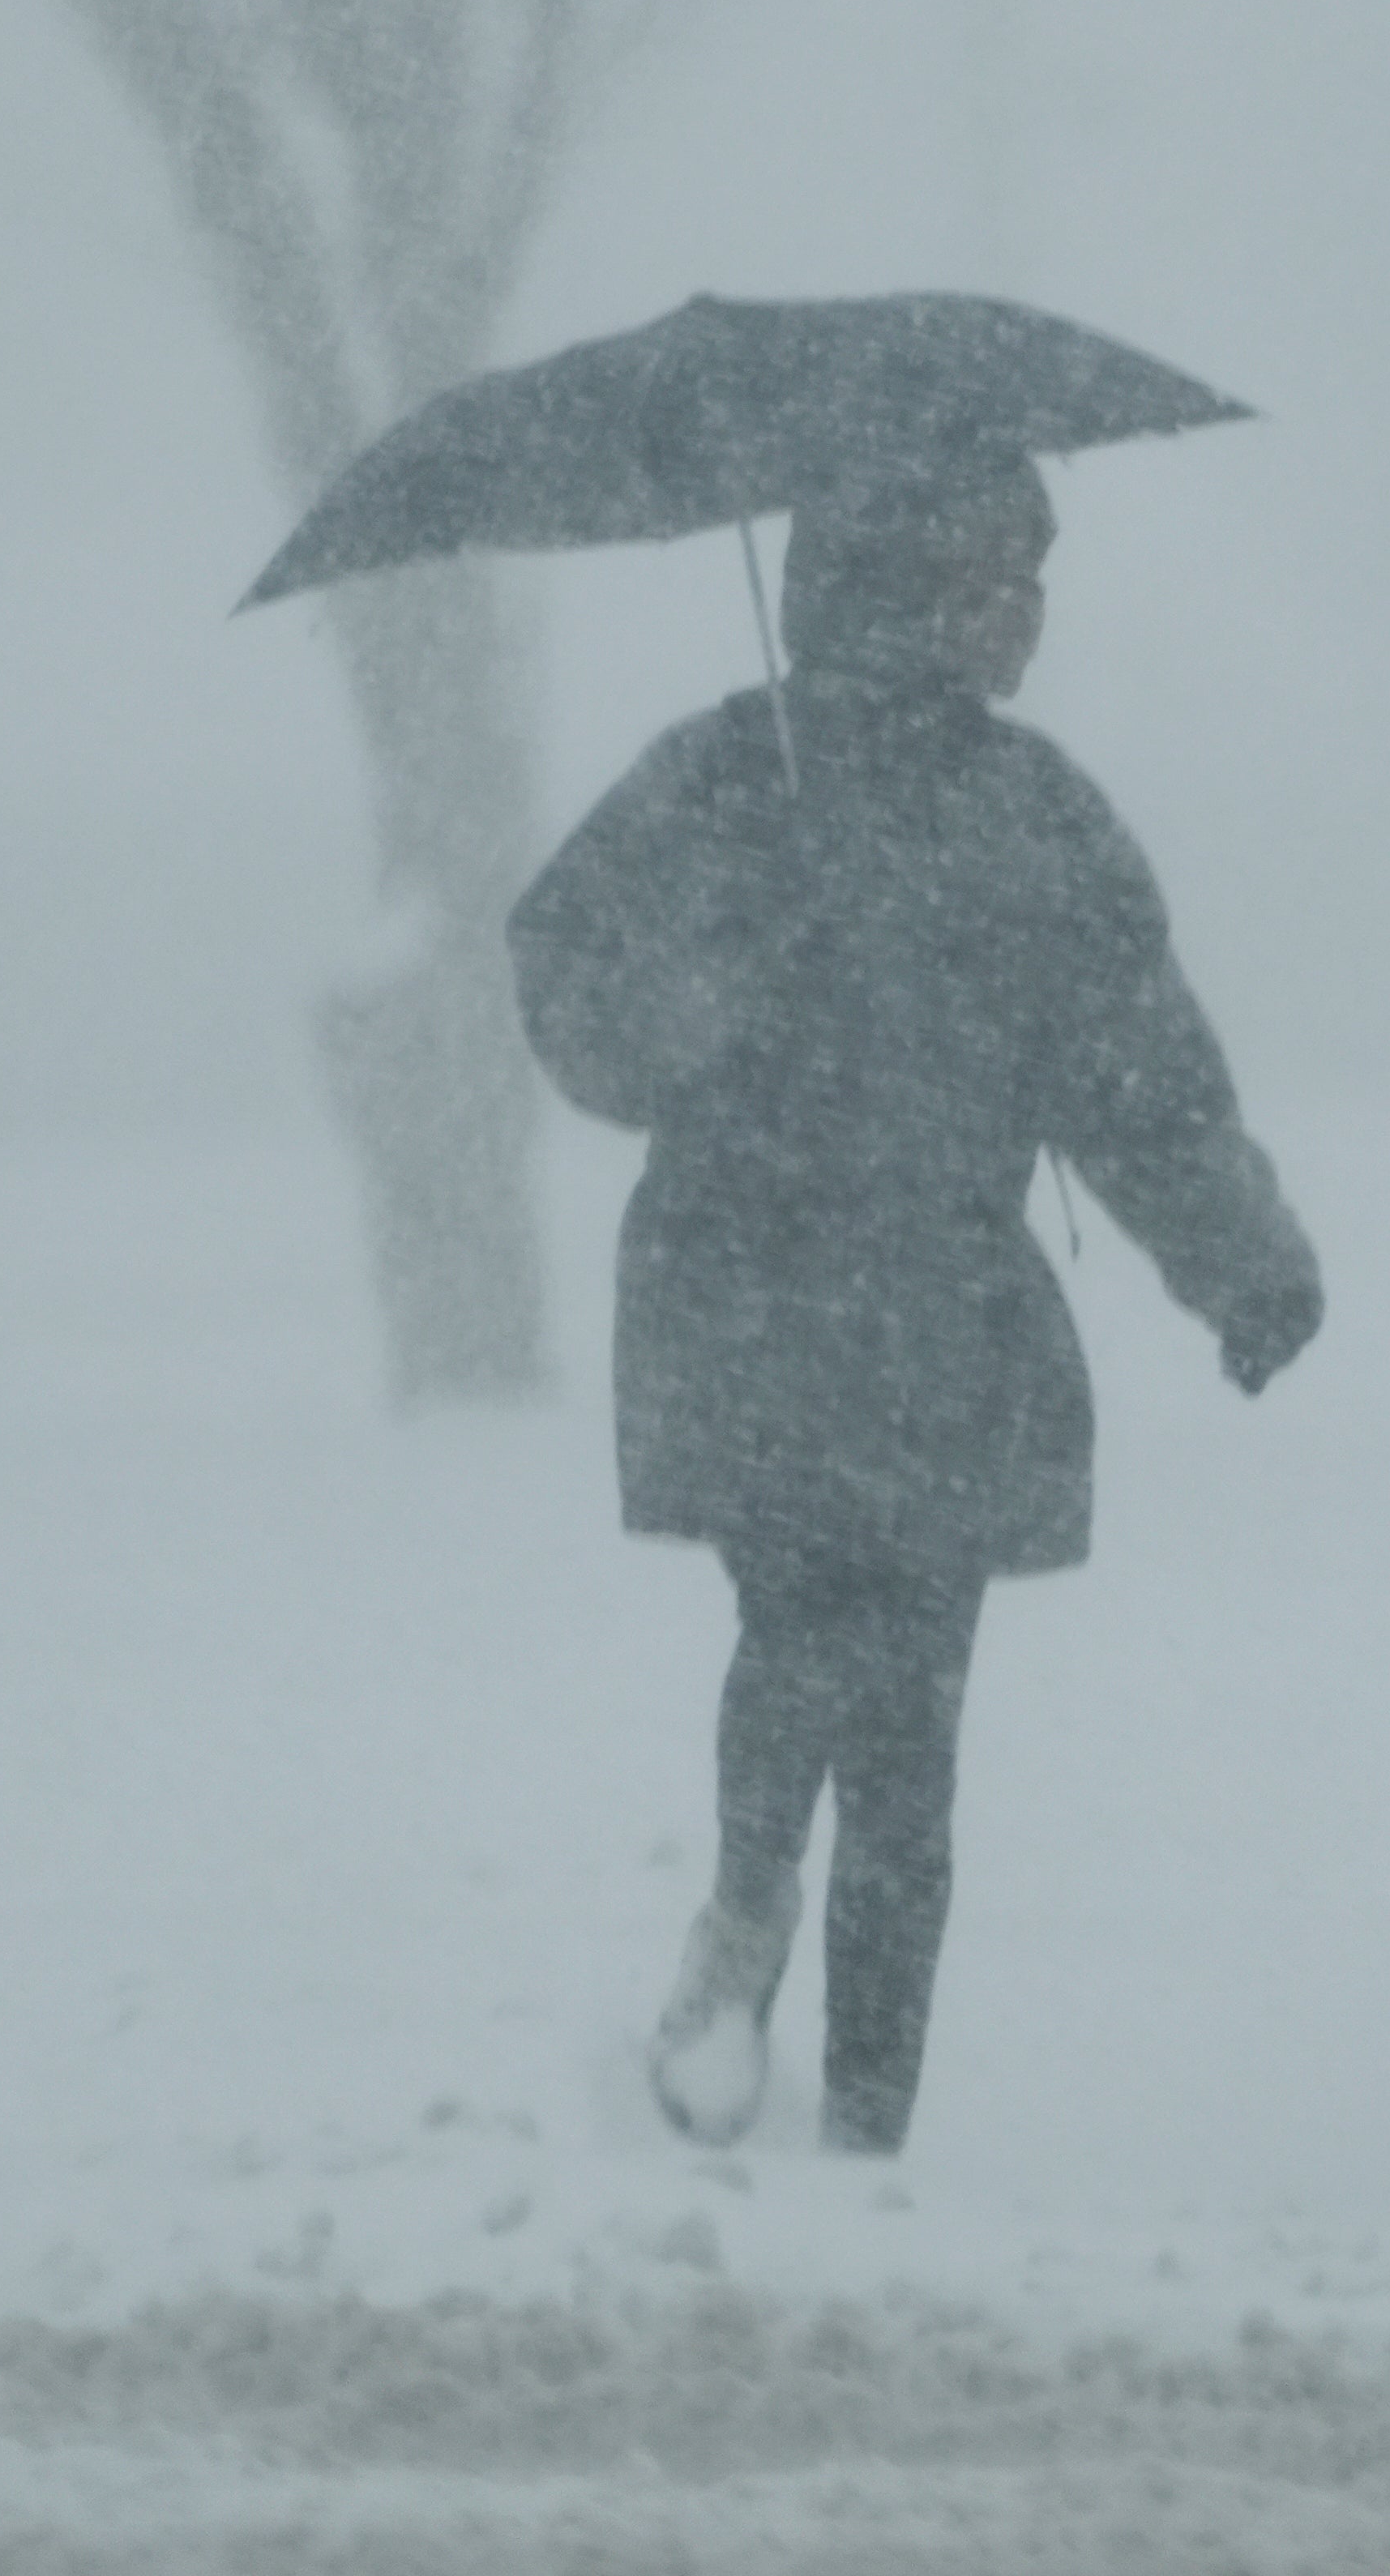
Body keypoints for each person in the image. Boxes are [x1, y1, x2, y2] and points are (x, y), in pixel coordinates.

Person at [507, 444, 1320, 2157]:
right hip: (765, 1296)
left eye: (1033, 581)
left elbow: (1143, 1082)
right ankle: (748, 1927)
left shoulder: (1030, 816)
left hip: (937, 1316)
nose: (1023, 617)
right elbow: (562, 959)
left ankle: (865, 2110)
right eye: (988, 580)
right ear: (888, 588)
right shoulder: (743, 777)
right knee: (818, 1637)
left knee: (908, 1740)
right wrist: (690, 1015)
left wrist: (1242, 1259)